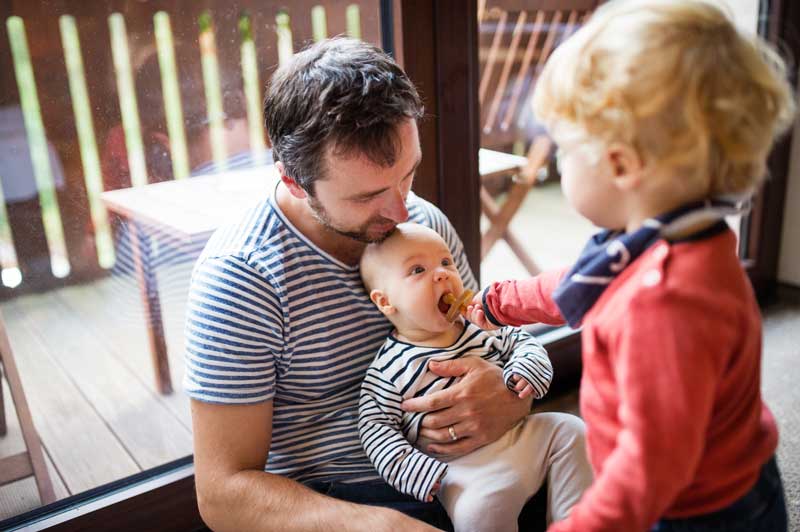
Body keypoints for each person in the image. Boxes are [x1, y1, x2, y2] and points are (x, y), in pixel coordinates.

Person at [185, 37, 547, 532]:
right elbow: (222, 494)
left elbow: (481, 336)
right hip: (342, 505)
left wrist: (511, 395)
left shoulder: (424, 225)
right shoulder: (242, 277)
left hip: (483, 467)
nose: (402, 211)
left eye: (408, 175)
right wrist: (383, 527)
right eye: (369, 196)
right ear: (294, 181)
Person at [466, 1, 796, 531]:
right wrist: (501, 302)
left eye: (565, 152)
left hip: (700, 510)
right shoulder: (675, 235)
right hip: (731, 463)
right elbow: (576, 286)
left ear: (620, 165)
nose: (556, 164)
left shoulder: (663, 305)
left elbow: (645, 476)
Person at [358, 222, 592, 531]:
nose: (441, 274)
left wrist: (525, 370)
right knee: (477, 514)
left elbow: (524, 343)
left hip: (523, 437)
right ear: (385, 301)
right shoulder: (387, 369)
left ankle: (579, 523)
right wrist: (418, 473)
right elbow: (374, 429)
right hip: (464, 473)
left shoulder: (479, 325)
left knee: (572, 430)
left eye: (445, 262)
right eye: (417, 270)